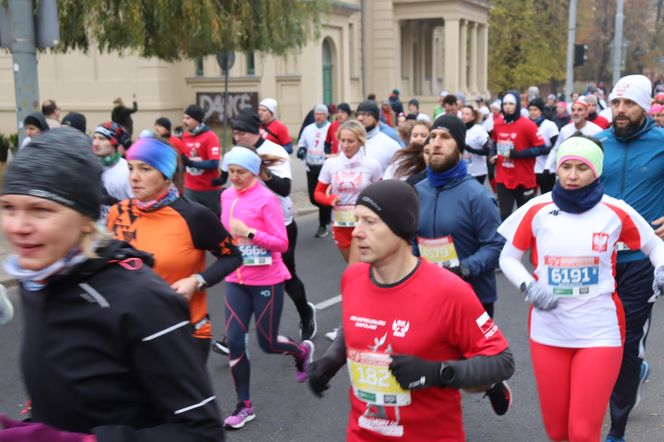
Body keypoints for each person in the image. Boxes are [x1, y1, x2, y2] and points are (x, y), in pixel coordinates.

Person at [0, 127, 225, 441]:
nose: (18, 226)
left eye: (41, 210)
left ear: (85, 219)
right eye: (8, 207)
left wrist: (198, 280)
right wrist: (31, 425)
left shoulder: (142, 298)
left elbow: (203, 433)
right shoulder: (38, 282)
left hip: (185, 320)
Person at [307, 179, 514, 441]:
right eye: (357, 220)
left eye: (370, 222)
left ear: (400, 228)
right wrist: (332, 359)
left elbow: (502, 361)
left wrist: (436, 373)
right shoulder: (353, 278)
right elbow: (355, 324)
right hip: (361, 434)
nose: (357, 231)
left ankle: (489, 389)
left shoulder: (448, 291)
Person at [498, 135, 664, 442]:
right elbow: (508, 257)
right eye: (566, 167)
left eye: (582, 168)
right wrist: (529, 287)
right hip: (549, 331)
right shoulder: (537, 208)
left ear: (597, 172)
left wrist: (661, 268)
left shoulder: (615, 210)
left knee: (582, 432)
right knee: (558, 431)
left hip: (600, 331)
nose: (572, 175)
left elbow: (655, 245)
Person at [107, 136, 241, 362]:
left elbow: (233, 257)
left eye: (145, 169)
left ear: (166, 176)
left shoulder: (195, 216)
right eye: (130, 168)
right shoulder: (118, 213)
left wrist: (197, 281)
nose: (134, 177)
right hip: (130, 332)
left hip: (183, 332)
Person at [414, 115, 510, 415]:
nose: (435, 143)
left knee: (470, 375)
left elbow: (496, 244)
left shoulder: (477, 195)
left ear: (459, 146)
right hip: (428, 294)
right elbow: (407, 239)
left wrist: (464, 269)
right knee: (435, 370)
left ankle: (491, 383)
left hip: (472, 296)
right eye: (431, 137)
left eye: (444, 137)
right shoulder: (417, 192)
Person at [220, 146, 314, 429]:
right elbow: (225, 233)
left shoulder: (267, 199)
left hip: (266, 280)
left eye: (241, 172)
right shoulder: (225, 196)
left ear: (254, 172)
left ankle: (301, 352)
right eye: (231, 171)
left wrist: (249, 233)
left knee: (267, 342)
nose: (235, 177)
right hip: (235, 278)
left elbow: (281, 243)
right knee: (235, 341)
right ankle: (244, 405)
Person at [599, 75, 664, 442]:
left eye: (629, 104)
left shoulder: (661, 142)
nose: (621, 111)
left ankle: (616, 430)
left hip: (641, 261)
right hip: (597, 260)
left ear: (645, 107)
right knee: (599, 340)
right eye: (616, 103)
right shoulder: (599, 142)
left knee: (625, 343)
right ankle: (634, 371)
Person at [217, 109, 317, 343]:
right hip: (243, 227)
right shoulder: (234, 152)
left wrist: (261, 172)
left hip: (278, 224)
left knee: (286, 276)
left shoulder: (275, 151)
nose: (237, 137)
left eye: (241, 132)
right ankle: (233, 334)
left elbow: (284, 189)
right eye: (234, 133)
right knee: (242, 274)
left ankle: (306, 312)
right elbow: (224, 181)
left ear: (255, 131)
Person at [314, 120, 382, 262]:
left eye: (350, 141)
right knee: (353, 266)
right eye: (342, 140)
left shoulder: (371, 164)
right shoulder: (331, 164)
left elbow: (381, 194)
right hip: (340, 224)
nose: (345, 145)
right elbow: (317, 193)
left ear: (360, 141)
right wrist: (329, 199)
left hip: (363, 223)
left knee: (356, 266)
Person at [491, 91, 546, 220]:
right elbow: (494, 143)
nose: (507, 107)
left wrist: (519, 154)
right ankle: (505, 241)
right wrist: (492, 155)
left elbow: (542, 148)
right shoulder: (498, 124)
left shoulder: (528, 125)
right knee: (504, 216)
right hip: (503, 177)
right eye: (504, 104)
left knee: (523, 218)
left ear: (517, 105)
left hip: (524, 179)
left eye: (511, 103)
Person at [297, 103, 332, 238]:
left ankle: (323, 225)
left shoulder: (331, 128)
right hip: (310, 166)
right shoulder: (308, 129)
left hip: (325, 167)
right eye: (316, 114)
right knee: (313, 198)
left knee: (321, 196)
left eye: (321, 114)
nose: (318, 116)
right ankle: (328, 207)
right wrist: (301, 149)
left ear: (327, 115)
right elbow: (302, 142)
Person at [180, 104, 222, 217]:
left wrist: (192, 163)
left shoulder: (210, 136)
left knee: (213, 217)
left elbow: (214, 163)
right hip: (190, 187)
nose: (184, 121)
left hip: (208, 188)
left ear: (197, 120)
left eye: (188, 118)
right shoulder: (185, 136)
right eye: (184, 118)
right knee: (191, 217)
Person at [545, 97, 602, 173]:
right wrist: (547, 167)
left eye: (579, 110)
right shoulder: (565, 130)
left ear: (586, 113)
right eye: (573, 110)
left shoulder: (596, 130)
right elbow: (556, 150)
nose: (575, 113)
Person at [92, 122, 133, 224]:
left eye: (102, 139)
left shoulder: (127, 170)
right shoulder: (89, 167)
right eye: (94, 138)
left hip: (120, 232)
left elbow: (136, 207)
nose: (95, 143)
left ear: (114, 142)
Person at [356, 101, 401, 173]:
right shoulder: (349, 142)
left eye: (366, 114)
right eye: (358, 114)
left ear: (377, 118)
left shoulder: (390, 145)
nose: (360, 118)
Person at [527, 98, 559, 194]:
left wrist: (542, 150)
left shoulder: (549, 125)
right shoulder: (526, 125)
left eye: (535, 110)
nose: (532, 112)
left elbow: (556, 145)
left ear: (541, 111)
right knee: (529, 199)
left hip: (547, 169)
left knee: (547, 196)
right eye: (530, 110)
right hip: (530, 168)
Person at [154, 117, 186, 193]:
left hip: (175, 175)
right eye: (156, 125)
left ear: (166, 128)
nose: (156, 128)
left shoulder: (176, 141)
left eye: (159, 126)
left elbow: (183, 158)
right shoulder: (156, 141)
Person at [461, 105, 491, 184]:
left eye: (466, 114)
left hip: (478, 171)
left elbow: (488, 151)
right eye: (462, 114)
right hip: (463, 171)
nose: (464, 116)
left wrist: (471, 149)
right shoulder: (459, 129)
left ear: (473, 117)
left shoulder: (479, 130)